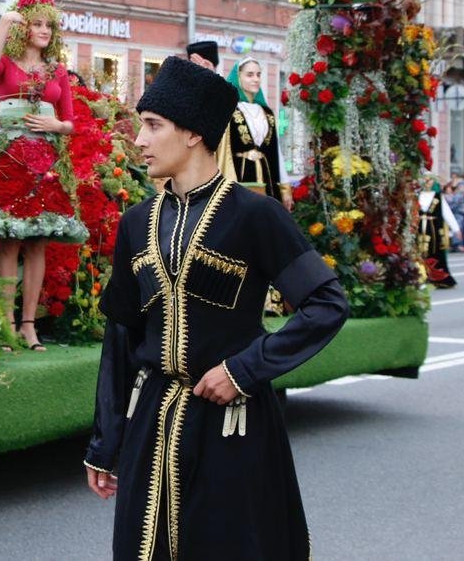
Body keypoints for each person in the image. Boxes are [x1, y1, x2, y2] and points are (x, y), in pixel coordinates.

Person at [83, 57, 348, 560]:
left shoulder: (255, 215)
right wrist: (105, 442)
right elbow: (121, 335)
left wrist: (245, 369)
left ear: (193, 134)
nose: (138, 139)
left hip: (232, 429)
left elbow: (326, 305)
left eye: (152, 125)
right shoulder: (136, 223)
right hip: (152, 428)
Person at [0, 0, 87, 351]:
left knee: (37, 243)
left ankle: (28, 326)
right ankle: (5, 324)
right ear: (24, 28)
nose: (44, 30)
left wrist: (55, 127)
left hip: (45, 159)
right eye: (36, 24)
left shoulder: (58, 70)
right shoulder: (7, 67)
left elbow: (70, 122)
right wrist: (4, 21)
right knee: (9, 240)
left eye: (49, 25)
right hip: (10, 156)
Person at [217, 57, 294, 210]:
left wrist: (285, 188)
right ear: (238, 77)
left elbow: (276, 152)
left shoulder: (267, 113)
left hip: (268, 178)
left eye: (258, 75)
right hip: (239, 177)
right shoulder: (228, 111)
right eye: (250, 75)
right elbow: (221, 152)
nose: (256, 79)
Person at [418, 175, 459, 288]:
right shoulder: (417, 196)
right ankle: (420, 276)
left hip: (433, 229)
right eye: (425, 180)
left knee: (434, 252)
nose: (427, 182)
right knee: (419, 252)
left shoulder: (438, 196)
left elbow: (447, 213)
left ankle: (438, 277)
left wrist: (456, 229)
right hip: (419, 228)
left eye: (429, 180)